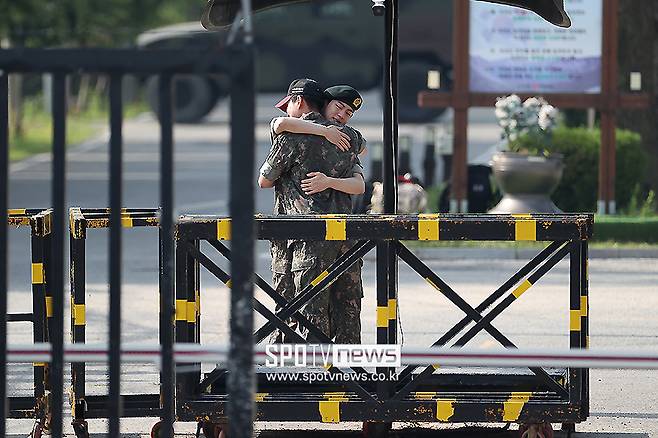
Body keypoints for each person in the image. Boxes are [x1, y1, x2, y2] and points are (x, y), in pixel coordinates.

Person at [258, 79, 365, 344]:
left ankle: (310, 371)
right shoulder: (349, 137)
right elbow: (360, 152)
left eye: (347, 112)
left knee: (306, 305)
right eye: (339, 108)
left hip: (304, 237)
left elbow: (264, 180)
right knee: (347, 306)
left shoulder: (291, 136)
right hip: (345, 236)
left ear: (298, 101)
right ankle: (350, 372)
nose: (342, 115)